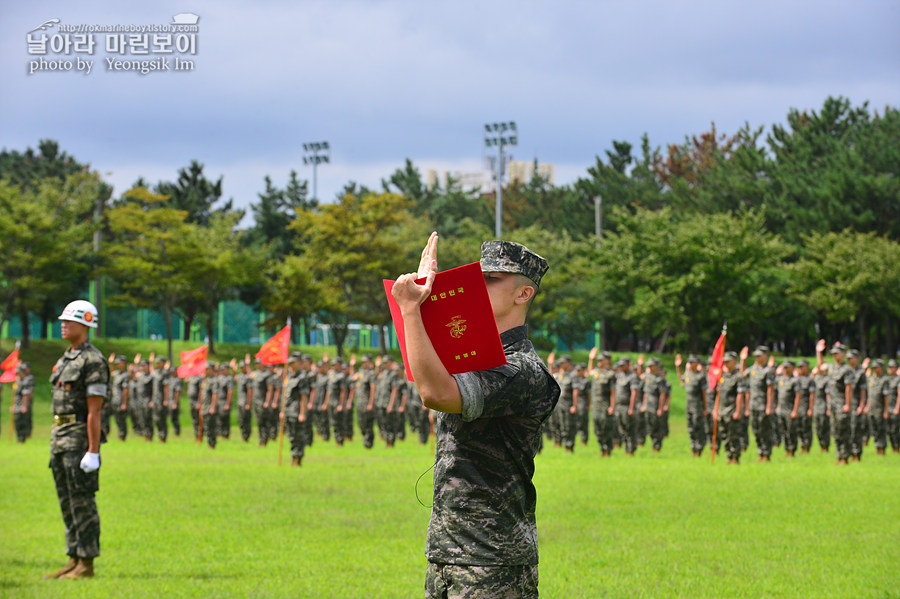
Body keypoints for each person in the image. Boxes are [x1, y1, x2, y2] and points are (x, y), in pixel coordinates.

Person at [392, 233, 559, 598]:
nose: (477, 285)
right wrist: (425, 295)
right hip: (446, 550)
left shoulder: (522, 370)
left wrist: (411, 310)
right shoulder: (473, 357)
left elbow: (435, 393)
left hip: (492, 558)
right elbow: (429, 365)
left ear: (523, 294)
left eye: (491, 279)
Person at [44, 299, 109, 580]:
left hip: (78, 438)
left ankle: (87, 563)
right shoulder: (66, 358)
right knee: (67, 501)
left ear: (85, 324)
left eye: (69, 321)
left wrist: (93, 451)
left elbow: (95, 409)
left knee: (82, 501)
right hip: (59, 437)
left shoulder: (93, 360)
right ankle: (73, 557)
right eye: (62, 320)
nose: (63, 325)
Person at [715, 351, 744, 465]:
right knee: (724, 434)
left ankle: (735, 457)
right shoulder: (722, 376)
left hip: (732, 410)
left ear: (735, 361)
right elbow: (718, 394)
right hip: (722, 410)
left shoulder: (738, 377)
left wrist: (738, 410)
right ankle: (729, 456)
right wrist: (716, 409)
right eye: (725, 362)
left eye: (728, 361)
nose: (726, 363)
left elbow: (740, 395)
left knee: (734, 435)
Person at [676, 354, 707, 457]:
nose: (690, 364)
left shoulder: (701, 376)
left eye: (692, 362)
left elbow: (704, 393)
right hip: (689, 406)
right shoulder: (688, 375)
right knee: (691, 428)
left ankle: (699, 448)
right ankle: (693, 448)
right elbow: (681, 380)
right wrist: (678, 367)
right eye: (689, 362)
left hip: (697, 406)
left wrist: (705, 408)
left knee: (698, 427)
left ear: (697, 363)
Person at [587, 348, 615, 457]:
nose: (599, 362)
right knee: (597, 428)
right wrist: (591, 359)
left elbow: (613, 392)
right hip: (596, 405)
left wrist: (612, 406)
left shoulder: (610, 375)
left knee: (605, 427)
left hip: (605, 405)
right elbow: (590, 371)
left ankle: (607, 449)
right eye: (598, 360)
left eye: (601, 360)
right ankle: (602, 448)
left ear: (607, 361)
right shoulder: (596, 373)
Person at [13, 362, 35, 443]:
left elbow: (26, 394)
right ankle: (20, 437)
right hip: (17, 405)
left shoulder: (28, 379)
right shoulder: (18, 381)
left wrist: (24, 406)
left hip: (22, 405)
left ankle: (22, 438)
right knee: (17, 421)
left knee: (23, 421)